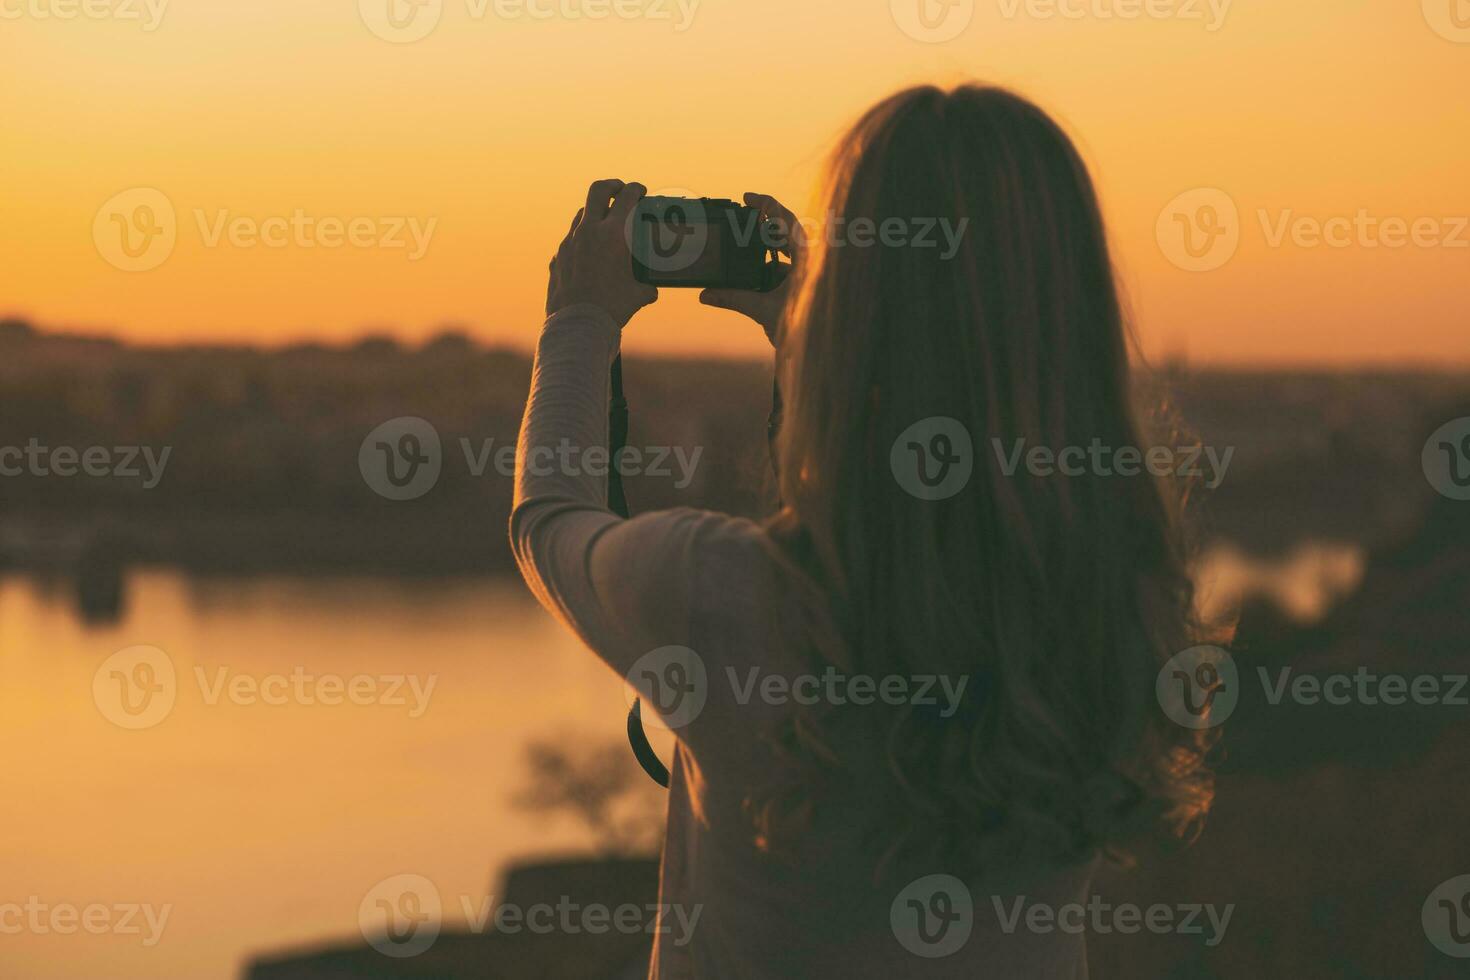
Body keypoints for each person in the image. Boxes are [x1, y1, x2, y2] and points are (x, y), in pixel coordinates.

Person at [512, 84, 1216, 978]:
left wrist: (578, 318)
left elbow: (548, 522)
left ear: (854, 305)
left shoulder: (722, 599)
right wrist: (802, 339)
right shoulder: (1111, 614)